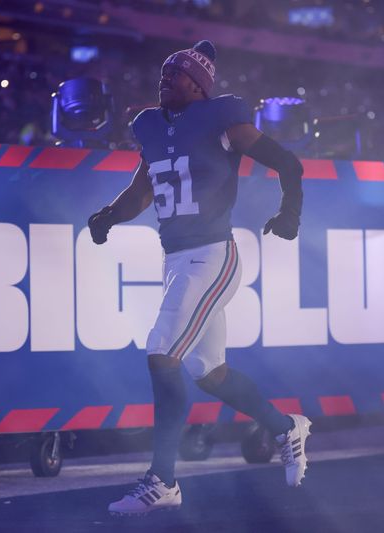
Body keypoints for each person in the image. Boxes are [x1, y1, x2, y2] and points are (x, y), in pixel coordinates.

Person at [88, 40, 311, 517]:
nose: (164, 79)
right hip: (175, 259)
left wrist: (290, 211)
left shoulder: (223, 119)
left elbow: (288, 163)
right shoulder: (150, 125)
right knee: (208, 372)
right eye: (164, 72)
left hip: (212, 255)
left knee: (161, 350)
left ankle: (163, 480)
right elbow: (142, 192)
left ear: (199, 85)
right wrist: (109, 215)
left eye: (176, 74)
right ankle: (285, 427)